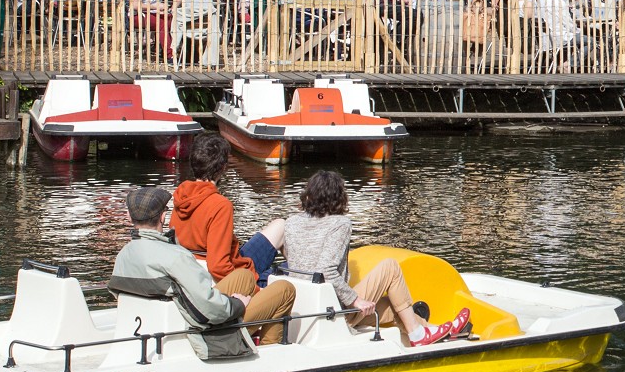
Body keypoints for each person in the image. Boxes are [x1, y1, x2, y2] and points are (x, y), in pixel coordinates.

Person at [283, 171, 468, 346]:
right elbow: (326, 270)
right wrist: (355, 300)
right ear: (339, 197)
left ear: (309, 195)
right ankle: (418, 334)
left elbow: (295, 263)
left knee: (391, 305)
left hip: (303, 310)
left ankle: (437, 332)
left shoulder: (291, 223)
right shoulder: (339, 223)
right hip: (331, 311)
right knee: (390, 268)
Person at [112, 186, 295, 348]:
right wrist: (238, 304)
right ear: (162, 216)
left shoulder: (123, 255)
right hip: (202, 334)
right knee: (285, 289)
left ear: (129, 217)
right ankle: (270, 351)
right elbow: (208, 308)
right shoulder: (176, 256)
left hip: (168, 321)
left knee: (243, 276)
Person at [171, 133, 286, 284]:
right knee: (284, 269)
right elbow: (218, 267)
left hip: (196, 266)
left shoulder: (181, 196)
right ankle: (303, 272)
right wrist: (253, 290)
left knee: (280, 225)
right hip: (234, 276)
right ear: (224, 167)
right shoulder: (220, 205)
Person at [537, 0, 576, 70]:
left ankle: (562, 63)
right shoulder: (559, 2)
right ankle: (567, 64)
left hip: (545, 37)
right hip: (560, 37)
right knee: (590, 41)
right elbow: (569, 24)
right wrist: (577, 30)